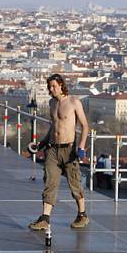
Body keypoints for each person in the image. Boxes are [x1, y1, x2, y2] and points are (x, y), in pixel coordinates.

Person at [28, 74, 90, 230]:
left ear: (61, 85)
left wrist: (81, 147)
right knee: (49, 183)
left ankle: (82, 214)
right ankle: (45, 218)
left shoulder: (74, 102)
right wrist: (41, 144)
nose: (51, 89)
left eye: (54, 86)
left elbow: (85, 126)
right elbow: (53, 127)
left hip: (69, 149)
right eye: (49, 86)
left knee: (74, 183)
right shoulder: (52, 103)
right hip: (52, 149)